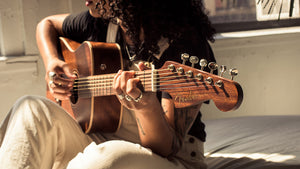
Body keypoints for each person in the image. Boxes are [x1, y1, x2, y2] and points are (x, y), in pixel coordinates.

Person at [0, 0, 216, 168]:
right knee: (29, 108)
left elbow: (166, 147)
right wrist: (52, 62)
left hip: (171, 158)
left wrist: (146, 106)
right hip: (104, 136)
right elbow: (46, 25)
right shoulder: (101, 22)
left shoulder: (186, 44)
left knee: (102, 161)